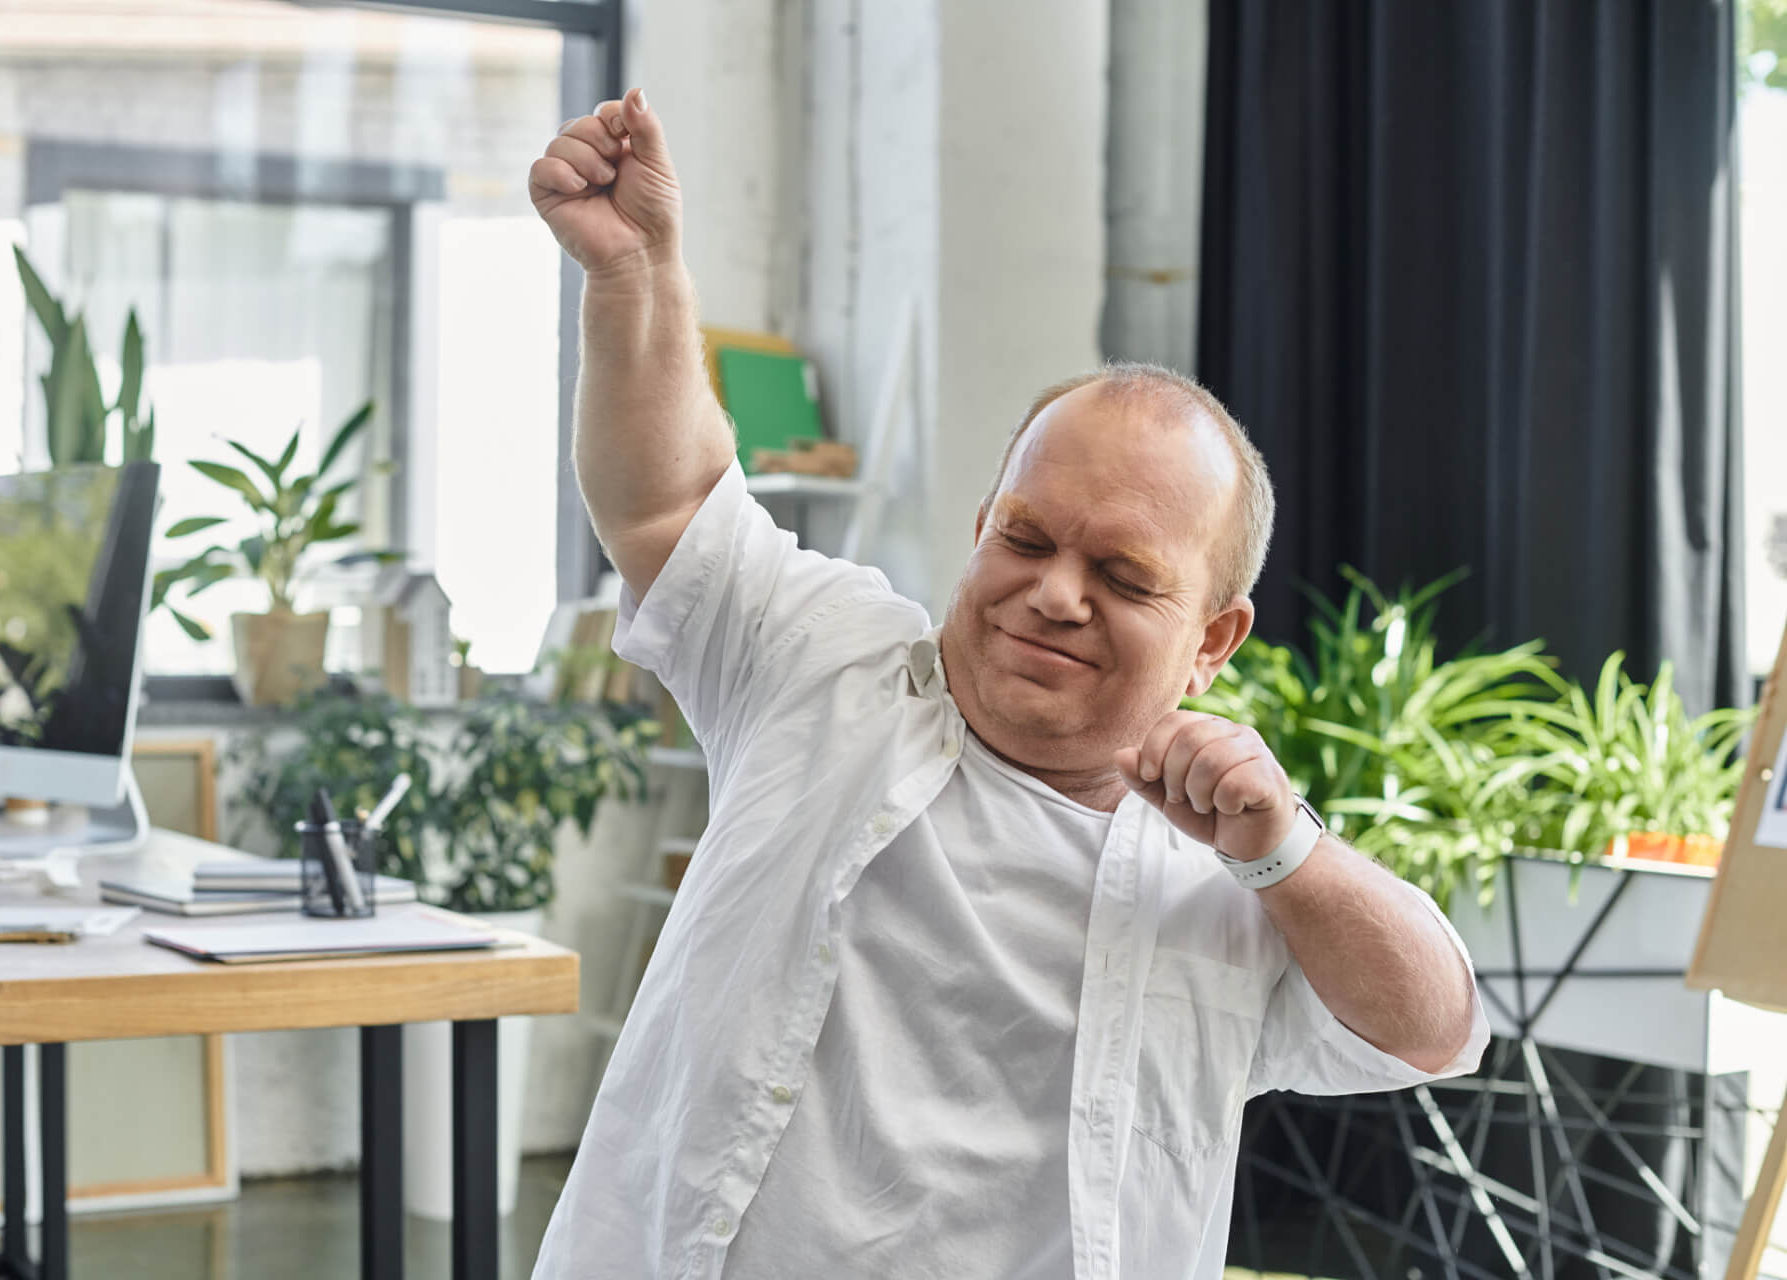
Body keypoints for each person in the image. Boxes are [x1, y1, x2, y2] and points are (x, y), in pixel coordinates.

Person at [527, 88, 1488, 1280]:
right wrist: (634, 275)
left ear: (1212, 639)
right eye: (1026, 541)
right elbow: (669, 501)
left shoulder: (1228, 867)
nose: (1056, 594)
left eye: (1125, 575)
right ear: (982, 525)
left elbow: (1436, 1028)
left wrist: (1287, 851)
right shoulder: (822, 661)